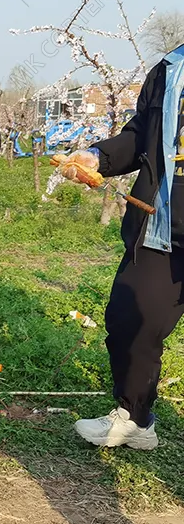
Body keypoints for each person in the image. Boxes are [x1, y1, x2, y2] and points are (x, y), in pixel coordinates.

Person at [68, 45, 184, 450]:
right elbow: (141, 136)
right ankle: (135, 418)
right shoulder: (171, 69)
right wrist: (98, 156)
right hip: (163, 225)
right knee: (130, 319)